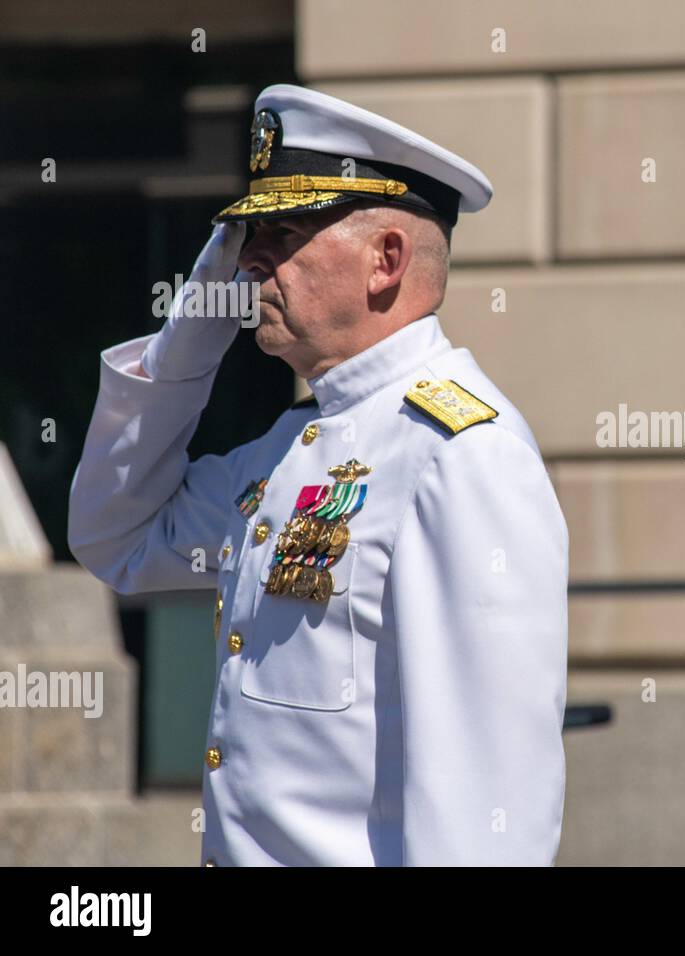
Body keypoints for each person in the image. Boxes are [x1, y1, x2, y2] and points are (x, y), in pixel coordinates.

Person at [67, 84, 569, 866]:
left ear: (386, 260)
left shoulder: (461, 452)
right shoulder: (290, 444)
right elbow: (116, 534)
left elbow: (482, 801)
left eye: (286, 229)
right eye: (247, 234)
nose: (251, 257)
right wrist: (193, 332)